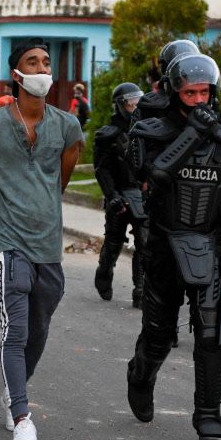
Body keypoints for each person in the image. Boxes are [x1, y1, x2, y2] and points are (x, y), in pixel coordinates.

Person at [122, 53, 221, 440]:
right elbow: (154, 175)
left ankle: (208, 415)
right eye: (190, 92)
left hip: (210, 248)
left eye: (204, 92)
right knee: (159, 337)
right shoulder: (149, 133)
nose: (199, 100)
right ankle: (140, 377)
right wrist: (193, 134)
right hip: (162, 247)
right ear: (176, 92)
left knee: (212, 335)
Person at [0, 38, 83, 440]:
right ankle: (21, 418)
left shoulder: (67, 125)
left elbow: (62, 177)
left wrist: (42, 205)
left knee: (40, 325)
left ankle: (14, 390)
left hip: (47, 242)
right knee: (15, 329)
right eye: (33, 62)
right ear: (16, 74)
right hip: (8, 240)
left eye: (47, 62)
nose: (42, 69)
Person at [93, 82, 146, 305]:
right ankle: (104, 273)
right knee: (114, 241)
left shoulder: (147, 131)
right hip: (119, 194)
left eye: (138, 100)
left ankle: (141, 289)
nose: (135, 105)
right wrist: (112, 195)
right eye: (130, 102)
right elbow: (102, 169)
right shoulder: (108, 135)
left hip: (141, 196)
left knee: (145, 242)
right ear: (120, 105)